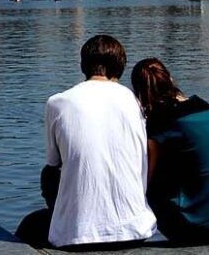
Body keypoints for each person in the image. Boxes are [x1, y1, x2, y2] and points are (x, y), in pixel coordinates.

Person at [16, 35, 157, 249]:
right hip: (135, 230)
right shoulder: (133, 101)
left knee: (45, 185)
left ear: (83, 66)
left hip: (76, 235)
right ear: (119, 68)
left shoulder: (58, 102)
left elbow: (53, 165)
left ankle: (68, 217)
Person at [131, 58, 209, 246]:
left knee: (146, 185)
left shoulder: (161, 120)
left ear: (140, 94)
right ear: (171, 79)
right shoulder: (205, 107)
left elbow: (146, 178)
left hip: (194, 228)